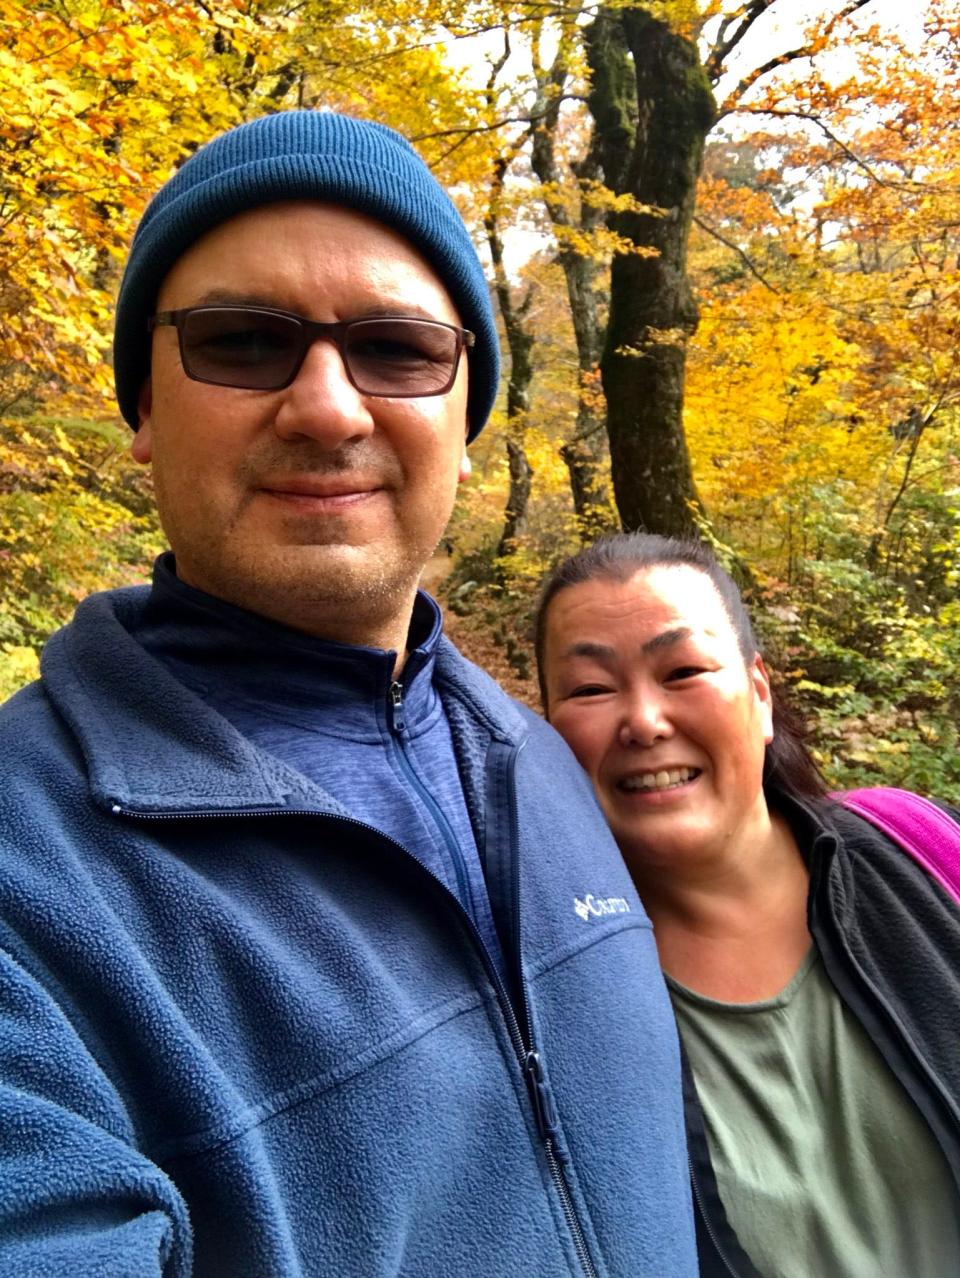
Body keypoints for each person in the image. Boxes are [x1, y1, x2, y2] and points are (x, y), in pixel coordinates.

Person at [0, 113, 698, 1276]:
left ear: (464, 421)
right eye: (239, 340)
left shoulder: (536, 761)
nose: (328, 408)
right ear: (141, 411)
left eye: (398, 347)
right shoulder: (30, 881)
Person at [535, 532, 960, 1278]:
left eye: (684, 671)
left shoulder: (917, 851)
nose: (643, 722)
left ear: (759, 695)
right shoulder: (551, 992)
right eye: (592, 690)